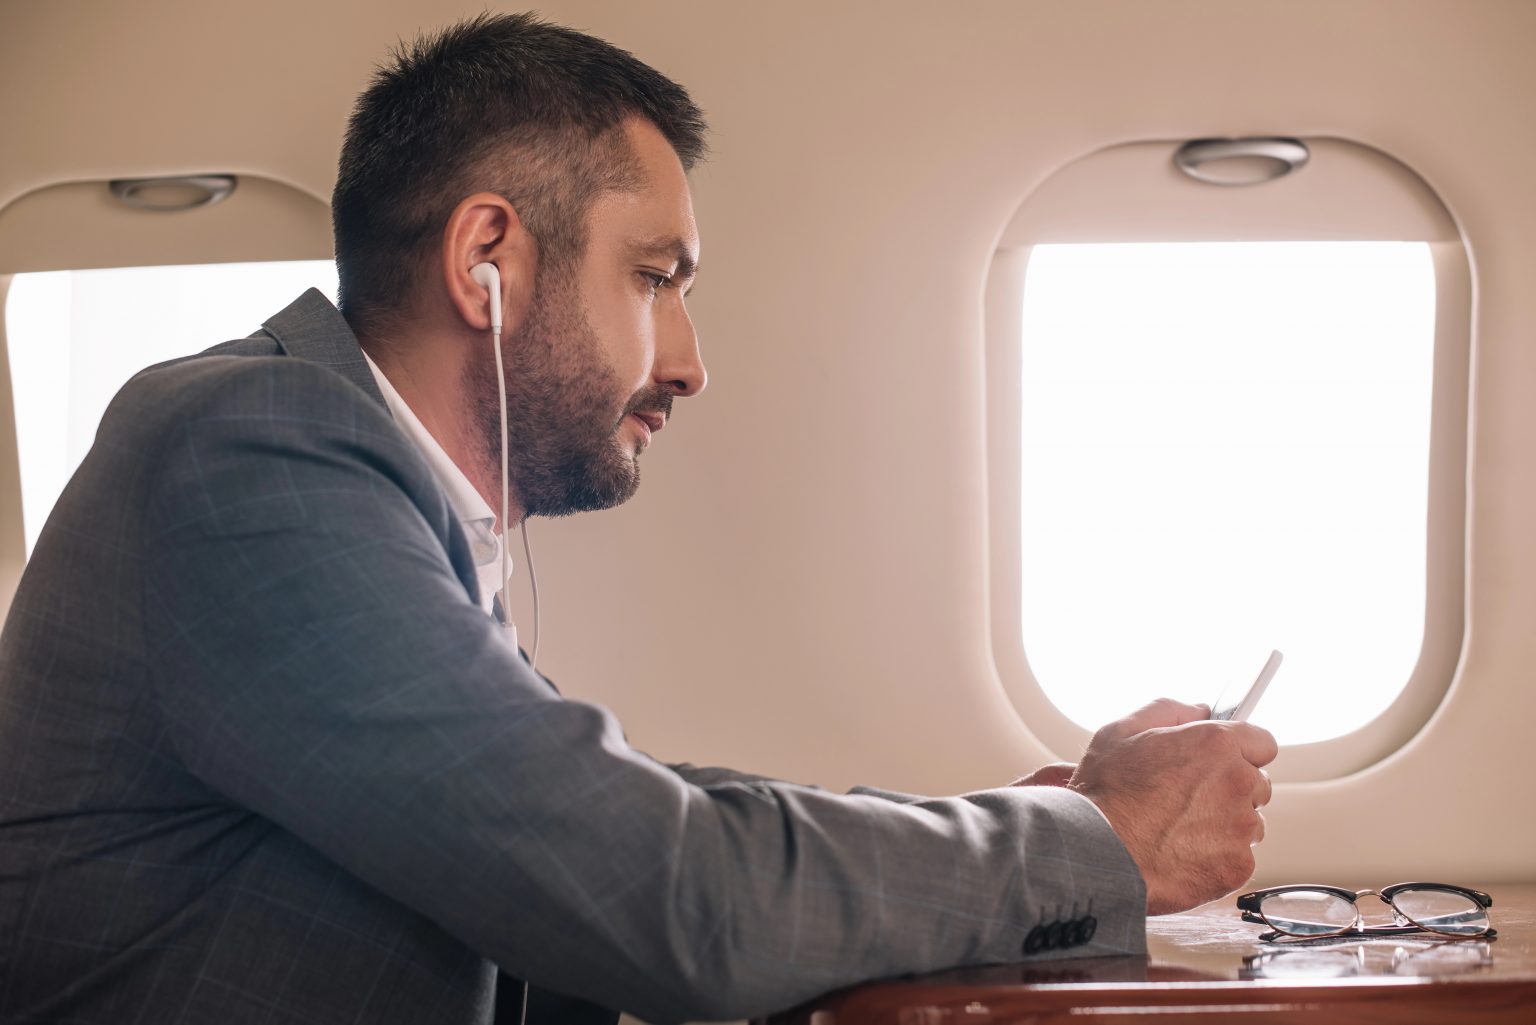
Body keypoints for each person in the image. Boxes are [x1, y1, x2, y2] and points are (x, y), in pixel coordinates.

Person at [0, 13, 1276, 1025]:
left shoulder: (366, 488)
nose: (690, 362)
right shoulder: (247, 453)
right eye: (656, 278)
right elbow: (654, 883)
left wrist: (995, 822)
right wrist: (1083, 840)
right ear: (486, 259)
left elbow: (620, 806)